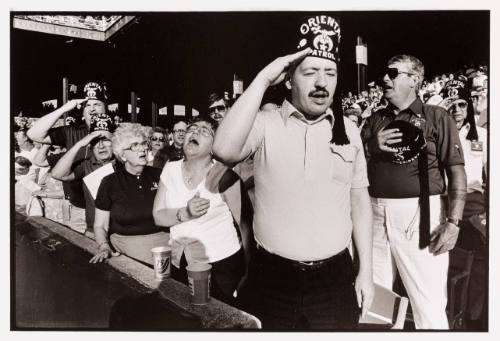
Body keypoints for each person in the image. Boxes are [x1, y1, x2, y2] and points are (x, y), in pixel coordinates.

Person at [213, 15, 374, 329]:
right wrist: (261, 80)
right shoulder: (265, 122)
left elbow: (359, 201)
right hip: (272, 280)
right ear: (287, 79)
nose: (321, 82)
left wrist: (366, 271)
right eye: (310, 72)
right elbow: (223, 150)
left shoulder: (350, 131)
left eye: (330, 72)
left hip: (334, 281)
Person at [361, 55, 467, 329]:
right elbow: (352, 168)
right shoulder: (374, 121)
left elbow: (456, 172)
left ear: (415, 79)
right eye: (385, 73)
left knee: (428, 305)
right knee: (375, 303)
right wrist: (371, 146)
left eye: (393, 73)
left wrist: (453, 223)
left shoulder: (436, 117)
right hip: (374, 213)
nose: (384, 78)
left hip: (422, 215)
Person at [152, 116, 253, 306]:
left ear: (215, 145)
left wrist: (247, 269)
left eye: (205, 131)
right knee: (185, 314)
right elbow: (158, 216)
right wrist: (187, 213)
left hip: (222, 265)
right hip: (180, 261)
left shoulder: (225, 176)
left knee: (218, 318)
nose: (195, 131)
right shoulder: (170, 169)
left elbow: (245, 226)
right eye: (192, 128)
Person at [27, 81, 110, 233]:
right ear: (82, 111)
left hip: (111, 208)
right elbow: (33, 134)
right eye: (87, 105)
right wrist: (66, 107)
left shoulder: (116, 132)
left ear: (105, 107)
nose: (92, 109)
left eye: (97, 104)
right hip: (79, 208)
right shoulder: (72, 131)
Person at [442, 79, 488, 329]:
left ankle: (474, 317)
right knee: (448, 264)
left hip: (474, 206)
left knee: (479, 261)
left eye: (462, 104)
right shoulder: (438, 134)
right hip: (445, 204)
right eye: (452, 105)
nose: (457, 109)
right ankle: (448, 311)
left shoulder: (481, 135)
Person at [90, 123, 169, 265]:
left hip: (165, 247)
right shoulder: (110, 182)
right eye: (135, 145)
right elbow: (100, 225)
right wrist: (104, 246)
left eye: (144, 144)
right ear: (122, 155)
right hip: (127, 250)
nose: (143, 149)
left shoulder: (161, 175)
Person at [51, 113, 116, 233]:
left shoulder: (124, 162)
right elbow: (57, 175)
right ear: (90, 145)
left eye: (105, 140)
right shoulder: (86, 165)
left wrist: (114, 139)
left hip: (121, 233)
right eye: (96, 141)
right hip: (93, 231)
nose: (101, 146)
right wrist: (79, 144)